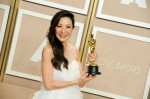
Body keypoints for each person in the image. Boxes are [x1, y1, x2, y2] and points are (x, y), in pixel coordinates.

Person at [32, 10, 97, 99]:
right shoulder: (48, 50)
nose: (63, 31)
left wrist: (90, 63)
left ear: (72, 29)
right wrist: (76, 81)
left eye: (68, 27)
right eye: (59, 26)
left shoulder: (75, 50)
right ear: (54, 28)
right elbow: (48, 84)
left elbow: (81, 84)